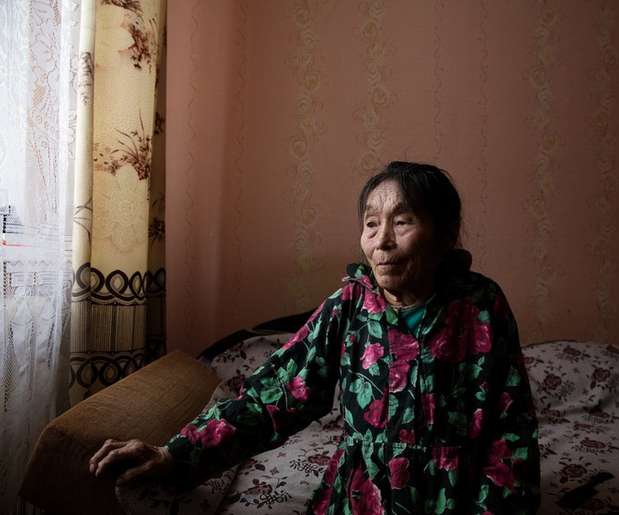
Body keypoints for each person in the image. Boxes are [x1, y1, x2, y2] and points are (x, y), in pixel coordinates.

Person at [90, 161, 541, 514]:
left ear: (443, 235)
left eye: (402, 222)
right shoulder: (350, 305)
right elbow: (276, 394)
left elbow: (510, 428)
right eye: (370, 224)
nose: (381, 240)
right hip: (361, 499)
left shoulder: (480, 306)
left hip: (454, 496)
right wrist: (175, 454)